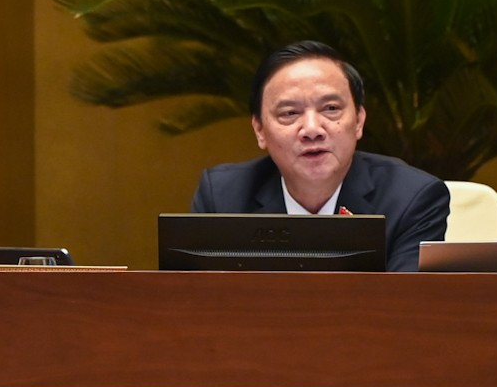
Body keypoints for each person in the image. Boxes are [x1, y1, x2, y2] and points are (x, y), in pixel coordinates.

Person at [190, 40, 447, 271]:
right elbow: (200, 304)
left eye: (331, 108)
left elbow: (405, 308)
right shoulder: (223, 198)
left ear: (358, 121)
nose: (312, 129)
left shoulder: (411, 199)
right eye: (290, 113)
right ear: (260, 130)